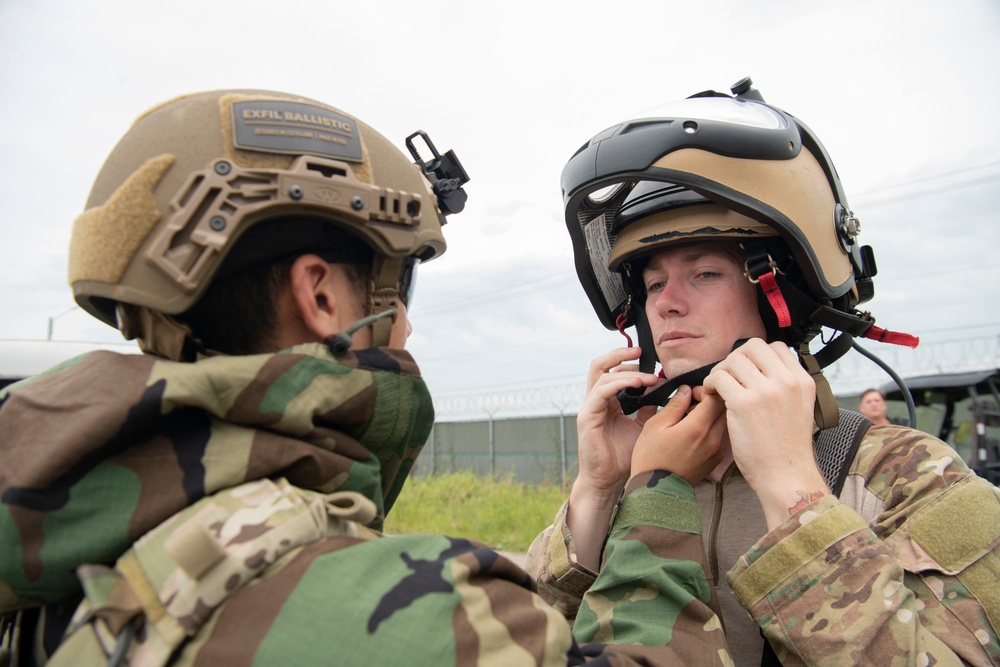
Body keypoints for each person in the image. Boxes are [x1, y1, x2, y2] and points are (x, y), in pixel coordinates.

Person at [0, 89, 732, 666]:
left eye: (704, 272)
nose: (406, 329)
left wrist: (593, 492)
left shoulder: (67, 515)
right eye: (397, 289)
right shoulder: (379, 599)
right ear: (319, 296)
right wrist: (656, 493)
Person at [527, 78, 1000, 665]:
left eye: (704, 274)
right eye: (652, 284)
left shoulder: (901, 472)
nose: (666, 303)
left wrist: (793, 490)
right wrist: (597, 492)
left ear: (781, 298)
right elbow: (522, 645)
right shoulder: (640, 481)